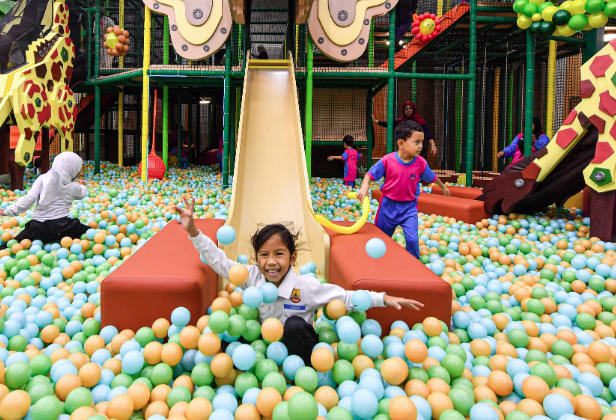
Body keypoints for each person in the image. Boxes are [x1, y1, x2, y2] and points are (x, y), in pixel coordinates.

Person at [175, 200, 423, 367]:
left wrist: (383, 298)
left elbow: (344, 296)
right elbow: (219, 262)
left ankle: (302, 375)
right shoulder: (250, 276)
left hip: (298, 351)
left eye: (279, 254)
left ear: (292, 258)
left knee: (295, 325)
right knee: (231, 332)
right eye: (264, 255)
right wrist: (193, 231)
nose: (271, 262)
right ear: (256, 259)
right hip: (262, 348)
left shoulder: (306, 286)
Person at [357, 121, 450, 259]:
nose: (420, 146)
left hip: (409, 207)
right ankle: (375, 261)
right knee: (380, 237)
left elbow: (432, 177)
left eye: (422, 142)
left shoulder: (420, 163)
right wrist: (365, 187)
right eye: (417, 142)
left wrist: (443, 187)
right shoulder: (387, 160)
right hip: (388, 206)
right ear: (401, 143)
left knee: (412, 239)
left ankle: (414, 264)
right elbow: (370, 175)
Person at [0, 152, 90, 246]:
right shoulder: (74, 187)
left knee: (12, 245)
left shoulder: (43, 179)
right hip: (62, 228)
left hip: (37, 228)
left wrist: (7, 211)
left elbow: (28, 199)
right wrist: (83, 186)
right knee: (90, 233)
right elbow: (81, 194)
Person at [372, 101, 437, 158]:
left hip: (418, 149)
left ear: (413, 110)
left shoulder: (419, 121)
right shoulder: (400, 121)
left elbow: (428, 134)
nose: (408, 111)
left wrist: (433, 145)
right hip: (407, 149)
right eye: (406, 109)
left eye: (410, 109)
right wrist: (375, 121)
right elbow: (388, 124)